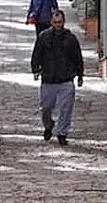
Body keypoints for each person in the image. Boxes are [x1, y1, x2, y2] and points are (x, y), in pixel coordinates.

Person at [30, 9, 84, 145]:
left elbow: (77, 57)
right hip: (48, 78)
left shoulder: (71, 39)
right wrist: (35, 69)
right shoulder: (43, 37)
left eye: (59, 22)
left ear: (63, 22)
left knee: (66, 108)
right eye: (55, 22)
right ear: (51, 22)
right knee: (45, 108)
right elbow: (37, 54)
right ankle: (48, 126)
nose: (57, 25)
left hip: (66, 79)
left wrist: (80, 75)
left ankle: (62, 133)